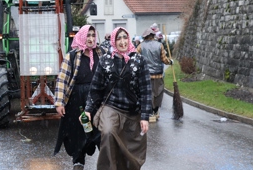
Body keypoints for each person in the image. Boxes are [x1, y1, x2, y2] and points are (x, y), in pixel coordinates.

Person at [83, 27, 152, 169]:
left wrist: (145, 117)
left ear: (129, 39)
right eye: (118, 38)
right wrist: (88, 110)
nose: (122, 42)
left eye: (125, 38)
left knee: (132, 149)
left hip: (133, 111)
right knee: (108, 133)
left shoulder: (139, 60)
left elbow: (146, 91)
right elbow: (95, 88)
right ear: (113, 41)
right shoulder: (105, 60)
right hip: (111, 107)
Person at [54, 25, 105, 170]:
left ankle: (106, 161)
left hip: (97, 99)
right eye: (88, 35)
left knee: (100, 131)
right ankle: (78, 162)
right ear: (82, 36)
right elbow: (62, 79)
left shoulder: (102, 53)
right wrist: (59, 102)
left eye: (93, 36)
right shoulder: (72, 55)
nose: (90, 39)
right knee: (78, 132)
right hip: (77, 99)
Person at [137, 28, 173, 122]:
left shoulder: (140, 46)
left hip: (145, 75)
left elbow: (135, 57)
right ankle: (155, 111)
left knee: (148, 93)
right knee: (158, 93)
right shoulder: (159, 45)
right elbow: (164, 59)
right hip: (158, 75)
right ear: (153, 36)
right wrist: (170, 62)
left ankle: (149, 112)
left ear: (145, 36)